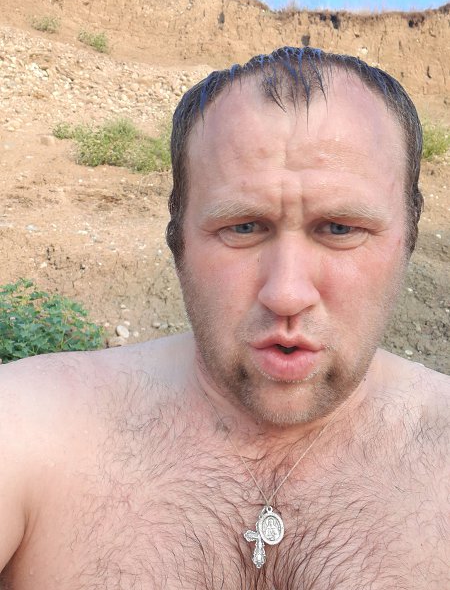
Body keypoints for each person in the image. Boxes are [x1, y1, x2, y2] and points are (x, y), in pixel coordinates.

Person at [0, 46, 448, 589]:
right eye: (243, 227)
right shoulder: (31, 423)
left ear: (408, 240)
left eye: (340, 228)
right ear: (178, 240)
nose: (287, 294)